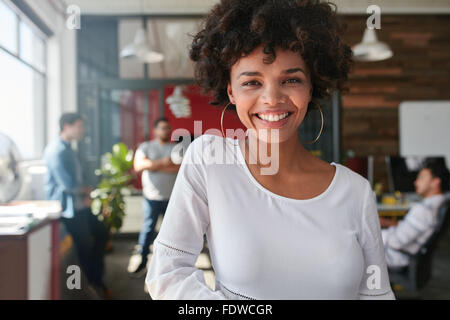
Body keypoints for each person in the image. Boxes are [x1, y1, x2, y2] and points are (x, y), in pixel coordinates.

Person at [145, 0, 395, 299]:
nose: (272, 99)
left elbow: (377, 294)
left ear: (311, 86)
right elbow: (167, 273)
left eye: (291, 79)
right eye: (252, 82)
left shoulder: (354, 191)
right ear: (231, 91)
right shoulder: (210, 162)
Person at [43, 113, 110, 299]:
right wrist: (86, 191)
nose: (83, 130)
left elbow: (80, 177)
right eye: (79, 126)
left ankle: (95, 280)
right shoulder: (56, 150)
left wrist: (87, 192)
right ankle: (88, 287)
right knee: (83, 248)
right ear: (66, 126)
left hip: (80, 205)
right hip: (68, 209)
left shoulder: (70, 148)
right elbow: (68, 185)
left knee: (101, 234)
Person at [128, 117, 180, 276]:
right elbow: (139, 166)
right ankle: (142, 262)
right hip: (151, 198)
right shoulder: (145, 147)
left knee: (173, 234)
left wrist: (153, 166)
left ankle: (171, 267)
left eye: (168, 128)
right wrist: (165, 162)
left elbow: (180, 168)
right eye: (163, 128)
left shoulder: (177, 148)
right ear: (155, 130)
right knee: (148, 230)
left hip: (172, 199)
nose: (166, 131)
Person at [379, 158, 449, 268]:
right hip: (406, 253)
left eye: (421, 178)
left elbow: (395, 242)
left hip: (395, 256)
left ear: (436, 182)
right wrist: (387, 223)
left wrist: (374, 234)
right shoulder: (439, 205)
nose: (416, 182)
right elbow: (411, 229)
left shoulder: (423, 210)